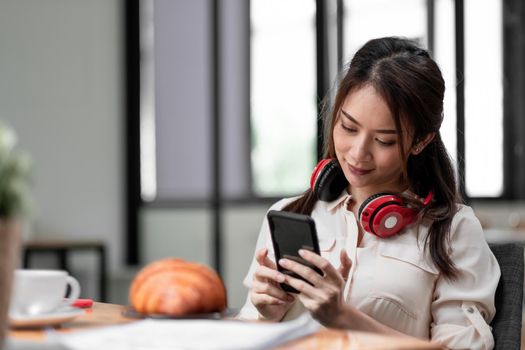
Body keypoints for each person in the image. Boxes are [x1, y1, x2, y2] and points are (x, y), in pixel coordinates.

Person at [237, 37, 500, 350]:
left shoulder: (452, 231)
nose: (358, 154)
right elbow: (246, 339)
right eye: (348, 128)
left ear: (420, 141)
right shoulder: (292, 213)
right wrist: (267, 317)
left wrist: (344, 317)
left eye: (385, 141)